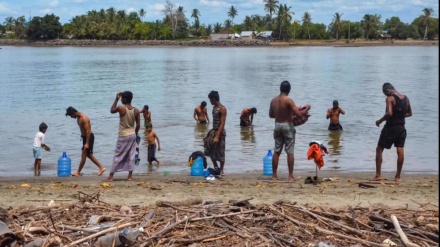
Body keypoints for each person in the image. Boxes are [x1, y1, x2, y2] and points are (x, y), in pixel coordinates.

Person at [269, 81, 311, 181]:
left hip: (277, 125)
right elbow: (299, 114)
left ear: (280, 89)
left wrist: (280, 114)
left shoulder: (273, 100)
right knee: (290, 152)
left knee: (277, 151)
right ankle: (290, 176)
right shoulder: (288, 101)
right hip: (287, 126)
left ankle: (274, 176)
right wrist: (307, 108)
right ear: (289, 90)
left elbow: (271, 115)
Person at [373, 83, 412, 183]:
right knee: (400, 149)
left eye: (384, 93)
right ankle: (398, 177)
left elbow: (389, 113)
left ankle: (378, 175)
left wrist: (380, 121)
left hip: (390, 128)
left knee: (379, 148)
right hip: (401, 128)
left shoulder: (390, 98)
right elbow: (409, 113)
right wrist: (399, 116)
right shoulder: (406, 98)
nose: (385, 95)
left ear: (387, 90)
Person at [106, 91, 140, 182]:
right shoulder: (136, 111)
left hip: (123, 136)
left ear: (125, 99)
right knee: (131, 156)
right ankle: (129, 176)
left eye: (121, 99)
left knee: (118, 155)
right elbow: (138, 125)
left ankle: (111, 176)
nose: (121, 100)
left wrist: (116, 99)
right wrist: (135, 133)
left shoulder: (121, 109)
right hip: (132, 135)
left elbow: (112, 110)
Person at [65, 107, 106, 176]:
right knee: (87, 154)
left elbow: (88, 131)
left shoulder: (84, 118)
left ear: (73, 113)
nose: (71, 117)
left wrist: (87, 143)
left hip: (89, 137)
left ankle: (79, 171)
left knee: (85, 154)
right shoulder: (78, 118)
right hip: (85, 138)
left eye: (71, 116)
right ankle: (100, 168)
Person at [203, 91, 227, 175]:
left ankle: (221, 170)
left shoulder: (222, 108)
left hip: (220, 132)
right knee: (210, 150)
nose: (210, 102)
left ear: (214, 99)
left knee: (221, 151)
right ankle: (216, 167)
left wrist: (217, 136)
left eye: (210, 100)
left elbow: (222, 123)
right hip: (213, 131)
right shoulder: (214, 108)